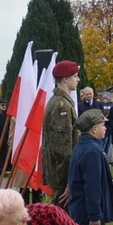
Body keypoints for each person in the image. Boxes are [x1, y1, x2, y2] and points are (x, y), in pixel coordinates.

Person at [42, 60, 81, 205]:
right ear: (65, 79)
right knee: (62, 220)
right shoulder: (61, 106)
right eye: (75, 76)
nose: (78, 79)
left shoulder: (62, 101)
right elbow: (62, 148)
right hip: (62, 176)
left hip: (62, 174)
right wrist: (69, 180)